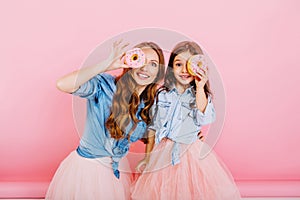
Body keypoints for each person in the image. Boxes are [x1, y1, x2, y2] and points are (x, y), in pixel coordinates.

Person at [45, 40, 165, 199]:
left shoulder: (151, 104)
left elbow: (155, 133)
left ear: (158, 72)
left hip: (118, 172)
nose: (145, 68)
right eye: (140, 60)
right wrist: (106, 65)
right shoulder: (105, 85)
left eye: (153, 64)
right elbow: (63, 84)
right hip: (87, 171)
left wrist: (148, 158)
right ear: (131, 63)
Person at [131, 41, 241, 199]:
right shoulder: (162, 94)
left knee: (192, 189)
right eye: (178, 64)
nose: (184, 70)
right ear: (171, 67)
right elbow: (153, 128)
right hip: (164, 151)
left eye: (189, 65)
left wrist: (201, 86)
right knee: (165, 190)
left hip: (191, 151)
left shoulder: (198, 95)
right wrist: (148, 158)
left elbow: (205, 117)